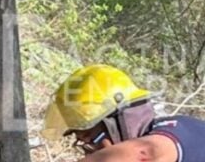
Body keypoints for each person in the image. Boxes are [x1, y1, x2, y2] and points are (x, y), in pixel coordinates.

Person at [44, 64, 205, 161]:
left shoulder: (181, 131)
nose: (91, 148)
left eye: (90, 136)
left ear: (119, 120)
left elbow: (146, 153)